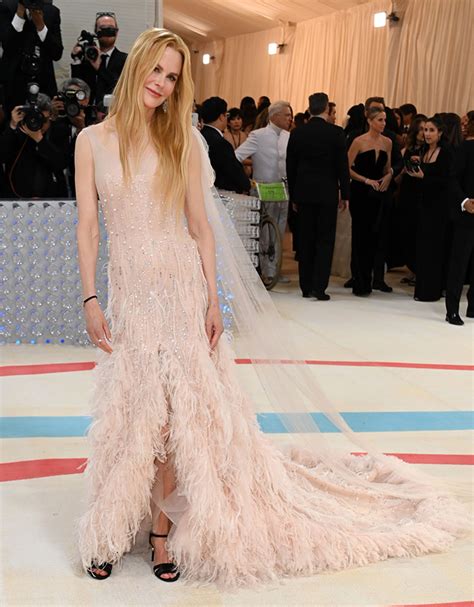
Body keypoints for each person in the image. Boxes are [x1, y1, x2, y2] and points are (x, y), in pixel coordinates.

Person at [75, 28, 467, 587]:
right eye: (156, 71)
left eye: (173, 76)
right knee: (130, 413)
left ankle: (161, 534)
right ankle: (111, 529)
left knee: (173, 416)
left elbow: (201, 229)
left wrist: (213, 298)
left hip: (181, 290)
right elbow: (89, 226)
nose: (161, 84)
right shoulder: (91, 140)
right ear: (136, 65)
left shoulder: (181, 141)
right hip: (129, 294)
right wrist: (90, 296)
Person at [286, 92, 350, 300]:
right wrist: (345, 194)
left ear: (309, 107)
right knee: (324, 240)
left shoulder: (297, 133)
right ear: (326, 109)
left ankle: (305, 286)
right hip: (327, 194)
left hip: (303, 193)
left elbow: (291, 167)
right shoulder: (336, 133)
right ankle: (319, 287)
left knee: (305, 239)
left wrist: (293, 195)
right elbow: (343, 167)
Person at [235, 100, 292, 282]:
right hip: (264, 187)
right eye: (287, 115)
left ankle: (274, 269)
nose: (290, 118)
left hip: (283, 188)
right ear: (275, 116)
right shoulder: (258, 135)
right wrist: (247, 179)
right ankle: (266, 270)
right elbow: (237, 155)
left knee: (280, 228)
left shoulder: (288, 137)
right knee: (265, 230)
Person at [407, 115, 454, 302]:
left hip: (439, 208)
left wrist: (423, 177)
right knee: (423, 247)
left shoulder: (446, 153)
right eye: (425, 130)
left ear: (440, 133)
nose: (427, 134)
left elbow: (448, 181)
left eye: (431, 130)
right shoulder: (424, 151)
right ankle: (422, 289)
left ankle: (432, 291)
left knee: (434, 249)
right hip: (424, 205)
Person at [347, 107, 393, 296]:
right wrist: (366, 180)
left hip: (378, 195)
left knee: (374, 237)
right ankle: (360, 282)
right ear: (370, 121)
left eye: (385, 120)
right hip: (360, 193)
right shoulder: (358, 141)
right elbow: (346, 168)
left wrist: (389, 176)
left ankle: (372, 279)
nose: (384, 123)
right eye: (380, 120)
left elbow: (387, 168)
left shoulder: (387, 142)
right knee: (360, 236)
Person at [0, 93, 67, 198]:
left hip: (52, 198)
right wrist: (12, 125)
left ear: (51, 116)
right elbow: (2, 156)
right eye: (35, 119)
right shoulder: (17, 132)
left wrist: (40, 140)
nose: (39, 124)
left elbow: (62, 163)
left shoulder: (58, 130)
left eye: (43, 120)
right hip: (16, 197)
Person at [0, 0, 63, 112]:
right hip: (13, 82)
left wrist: (41, 26)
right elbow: (7, 45)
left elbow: (57, 53)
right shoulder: (6, 7)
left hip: (43, 81)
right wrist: (20, 14)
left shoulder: (51, 12)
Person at [445, 112, 474, 324]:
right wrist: (464, 202)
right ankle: (452, 309)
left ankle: (473, 306)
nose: (463, 126)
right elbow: (453, 178)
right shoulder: (465, 148)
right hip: (466, 213)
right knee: (459, 262)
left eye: (466, 122)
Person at [49, 77, 96, 197]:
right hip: (59, 187)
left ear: (86, 100)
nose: (73, 102)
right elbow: (55, 157)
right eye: (69, 97)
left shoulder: (95, 121)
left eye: (78, 97)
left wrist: (81, 128)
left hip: (87, 187)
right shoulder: (57, 122)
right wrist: (51, 118)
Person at [70, 11, 127, 108]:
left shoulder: (126, 60)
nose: (107, 31)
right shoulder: (88, 58)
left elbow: (121, 88)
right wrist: (77, 60)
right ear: (96, 33)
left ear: (116, 32)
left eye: (111, 28)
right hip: (87, 115)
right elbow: (78, 87)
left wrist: (100, 68)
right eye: (103, 28)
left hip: (112, 113)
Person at [397, 114, 427, 283]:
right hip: (407, 193)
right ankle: (411, 268)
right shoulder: (407, 149)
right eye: (422, 129)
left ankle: (418, 269)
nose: (424, 133)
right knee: (406, 231)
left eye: (427, 129)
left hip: (421, 194)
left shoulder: (429, 150)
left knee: (417, 233)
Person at [200, 96, 250, 193]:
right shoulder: (221, 143)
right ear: (221, 117)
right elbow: (234, 172)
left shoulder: (200, 135)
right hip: (220, 192)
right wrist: (246, 185)